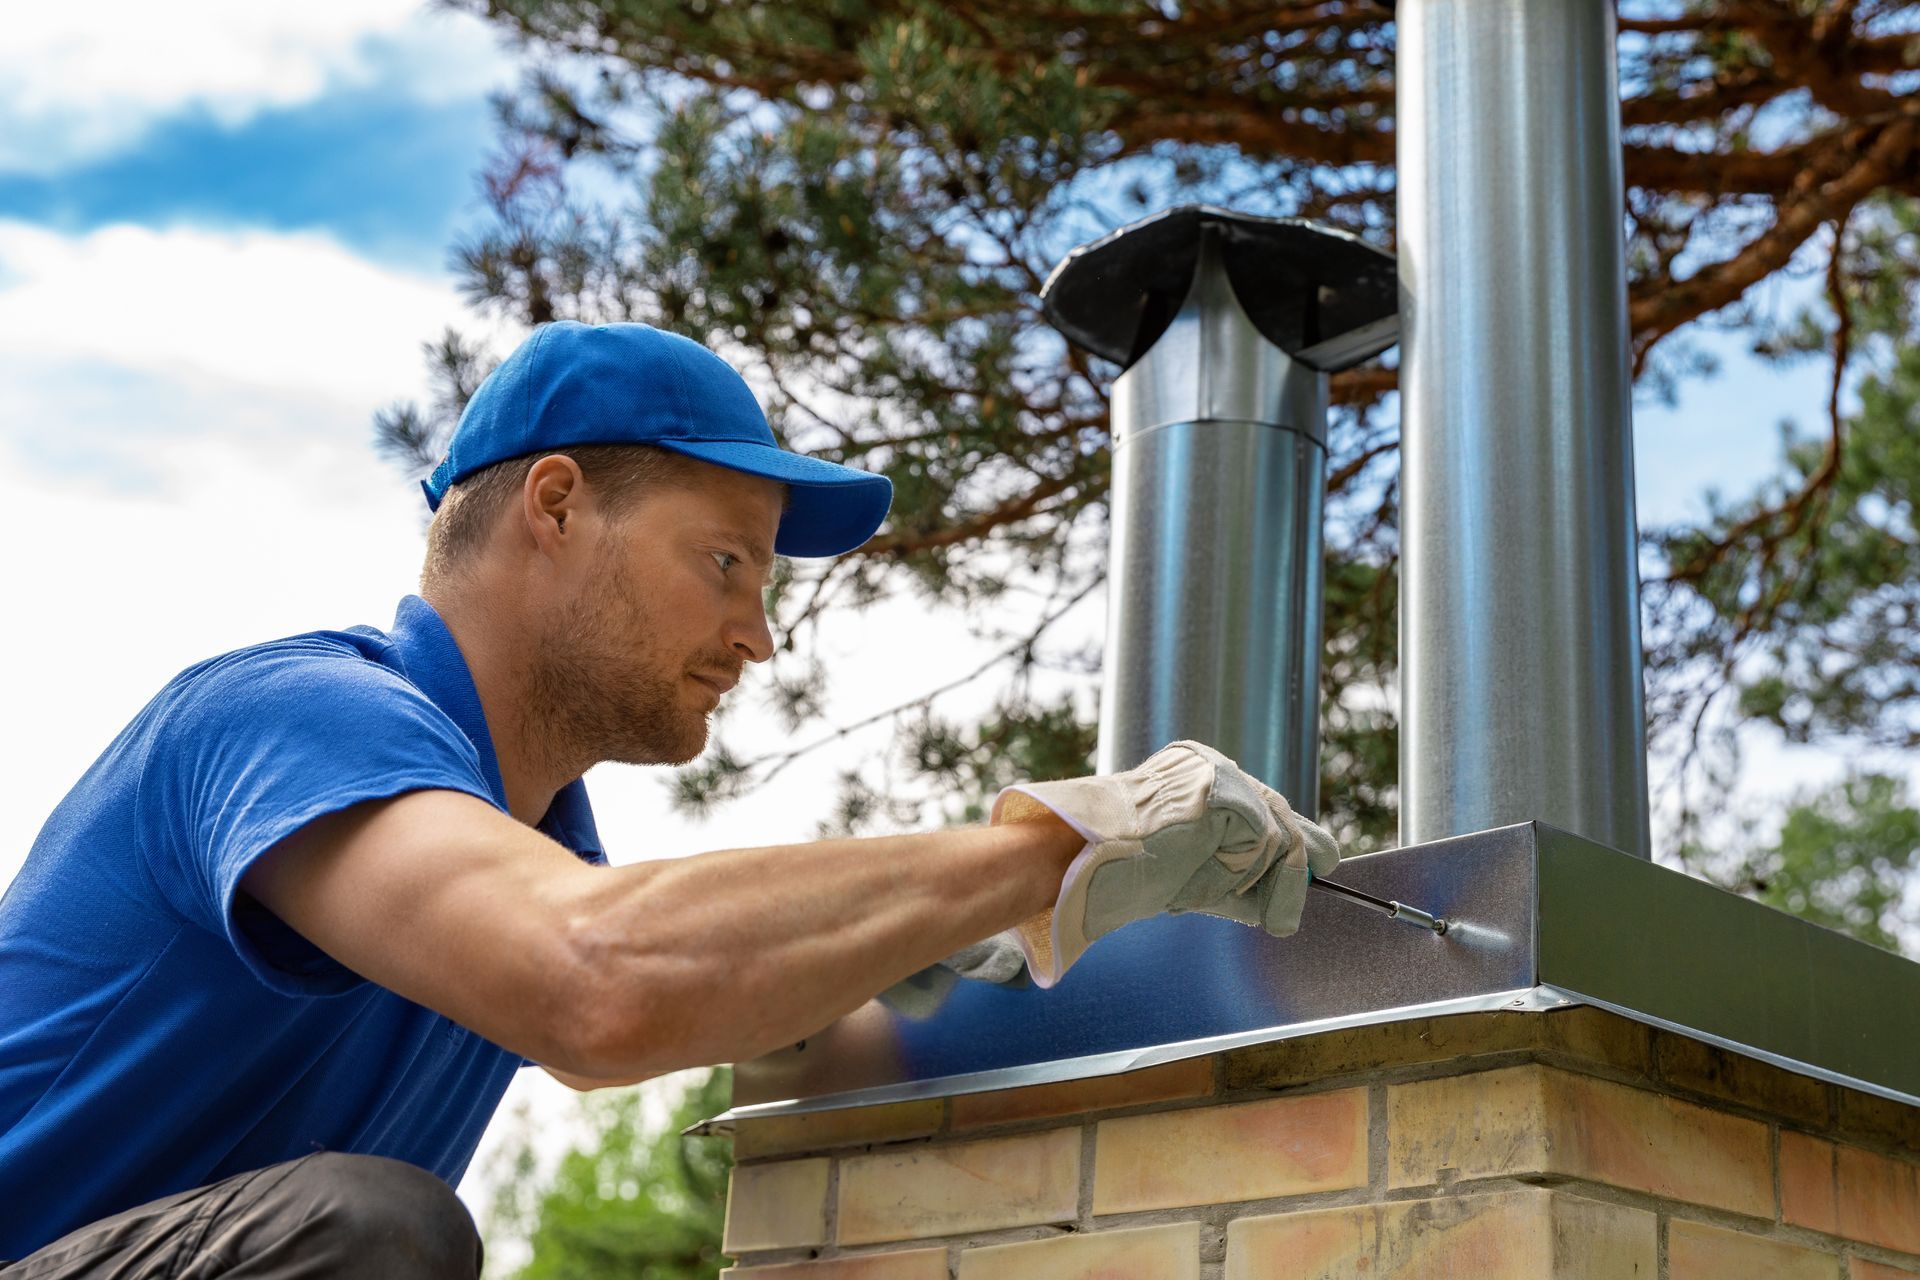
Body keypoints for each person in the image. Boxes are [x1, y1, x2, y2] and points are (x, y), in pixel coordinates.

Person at [0, 321, 1336, 1274]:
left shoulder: (527, 846)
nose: (760, 637)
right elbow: (598, 981)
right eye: (724, 563)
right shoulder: (297, 717)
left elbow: (625, 1024)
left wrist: (914, 959)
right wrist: (1053, 850)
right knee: (376, 1228)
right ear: (559, 506)